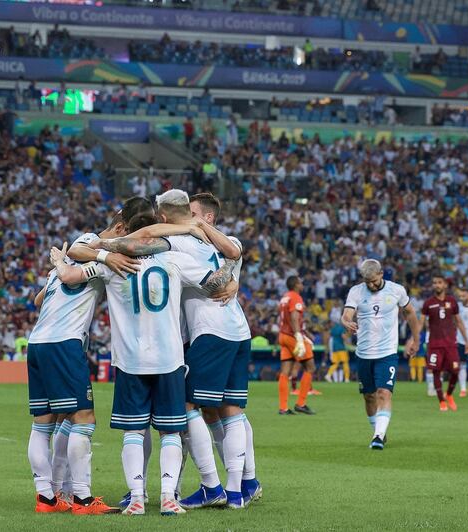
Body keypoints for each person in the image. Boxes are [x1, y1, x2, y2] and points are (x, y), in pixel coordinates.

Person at [51, 210, 237, 516]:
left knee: (134, 432)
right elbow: (217, 281)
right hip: (169, 359)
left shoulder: (112, 266)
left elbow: (73, 269)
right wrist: (232, 269)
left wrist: (79, 258)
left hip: (129, 361)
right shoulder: (174, 261)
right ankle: (168, 498)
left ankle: (137, 498)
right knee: (170, 433)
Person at [92, 190, 259, 509]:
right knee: (228, 411)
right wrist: (232, 280)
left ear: (165, 217)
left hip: (202, 333)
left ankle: (210, 486)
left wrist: (103, 246)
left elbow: (133, 243)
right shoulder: (219, 240)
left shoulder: (175, 244)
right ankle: (239, 486)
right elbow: (231, 260)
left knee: (182, 410)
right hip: (235, 329)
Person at [341, 260, 420, 450]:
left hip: (387, 353)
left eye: (374, 281)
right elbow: (346, 314)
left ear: (382, 273)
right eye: (367, 282)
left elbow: (410, 314)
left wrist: (415, 340)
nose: (371, 285)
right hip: (364, 353)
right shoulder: (356, 291)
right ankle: (379, 431)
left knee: (384, 393)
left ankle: (378, 436)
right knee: (369, 397)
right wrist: (346, 322)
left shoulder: (397, 290)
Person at [419, 274, 468, 412]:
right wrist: (415, 339)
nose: (436, 285)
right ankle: (441, 401)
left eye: (439, 282)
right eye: (434, 282)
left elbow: (458, 321)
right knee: (436, 371)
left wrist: (466, 340)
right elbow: (421, 321)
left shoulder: (452, 301)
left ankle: (449, 395)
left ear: (445, 285)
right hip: (435, 344)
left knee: (455, 370)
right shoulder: (428, 303)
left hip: (450, 344)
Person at [277, 276, 316, 415]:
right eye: (300, 282)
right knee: (310, 367)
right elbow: (293, 317)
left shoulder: (284, 297)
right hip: (292, 335)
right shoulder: (296, 297)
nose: (302, 284)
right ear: (295, 284)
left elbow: (283, 317)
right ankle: (301, 403)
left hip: (283, 335)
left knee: (285, 371)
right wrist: (298, 335)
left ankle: (283, 407)